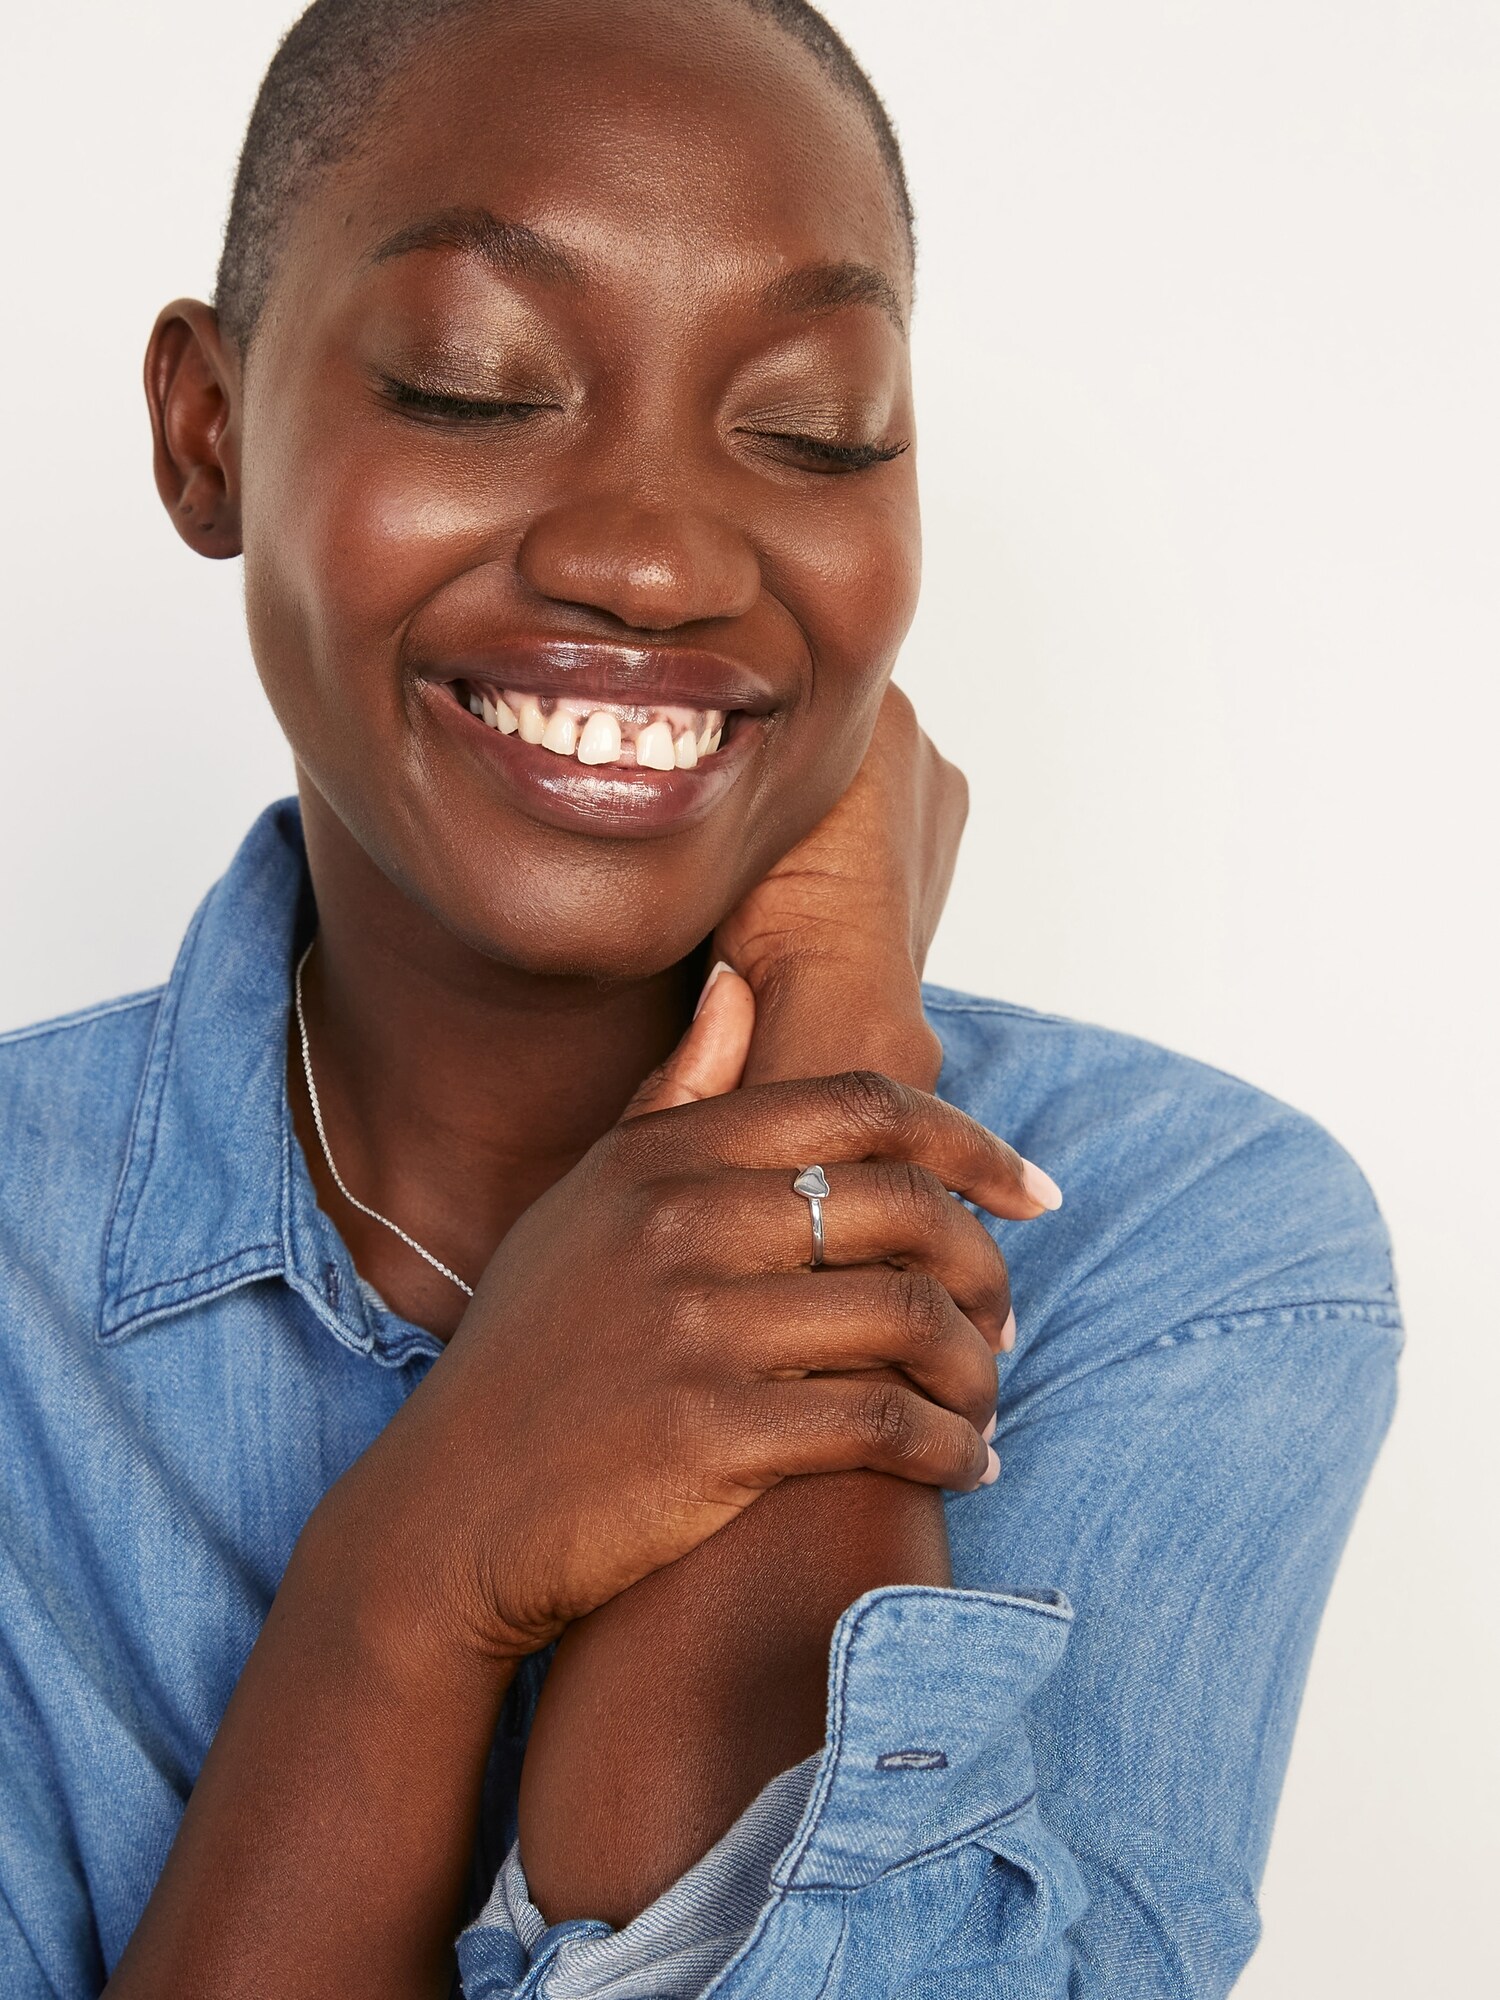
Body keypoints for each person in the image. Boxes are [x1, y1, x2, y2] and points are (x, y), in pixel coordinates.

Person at [0, 2, 1401, 1994]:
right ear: (203, 430)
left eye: (813, 424)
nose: (655, 559)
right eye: (477, 384)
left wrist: (833, 1042)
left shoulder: (1193, 1251)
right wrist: (415, 1573)